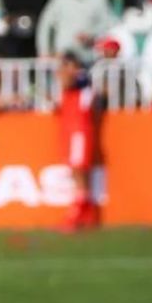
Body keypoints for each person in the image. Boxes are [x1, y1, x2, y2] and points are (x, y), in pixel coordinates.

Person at [56, 53, 100, 232]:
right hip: (74, 133)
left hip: (79, 134)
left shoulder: (82, 83)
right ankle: (87, 217)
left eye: (68, 66)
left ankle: (75, 217)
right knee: (79, 174)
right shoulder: (74, 87)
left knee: (79, 173)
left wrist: (66, 72)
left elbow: (69, 82)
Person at [36, 0, 111, 61]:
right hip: (63, 55)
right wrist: (44, 51)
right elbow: (45, 24)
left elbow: (107, 24)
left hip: (87, 57)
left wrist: (91, 35)